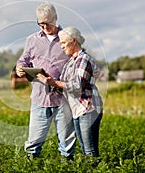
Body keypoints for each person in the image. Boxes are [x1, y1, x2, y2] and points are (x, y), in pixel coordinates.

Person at [16, 3, 76, 160]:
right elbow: (24, 60)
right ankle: (31, 165)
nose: (44, 27)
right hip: (40, 97)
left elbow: (79, 60)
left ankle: (67, 165)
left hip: (63, 98)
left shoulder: (68, 38)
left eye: (48, 23)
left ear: (55, 18)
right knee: (34, 141)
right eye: (41, 23)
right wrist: (20, 67)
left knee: (67, 141)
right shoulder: (32, 40)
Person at [37, 26, 103, 157]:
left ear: (73, 41)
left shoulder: (84, 59)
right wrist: (47, 80)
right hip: (78, 109)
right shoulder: (70, 62)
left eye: (63, 42)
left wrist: (54, 82)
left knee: (90, 150)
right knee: (85, 149)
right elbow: (64, 85)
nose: (61, 46)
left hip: (88, 108)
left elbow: (77, 85)